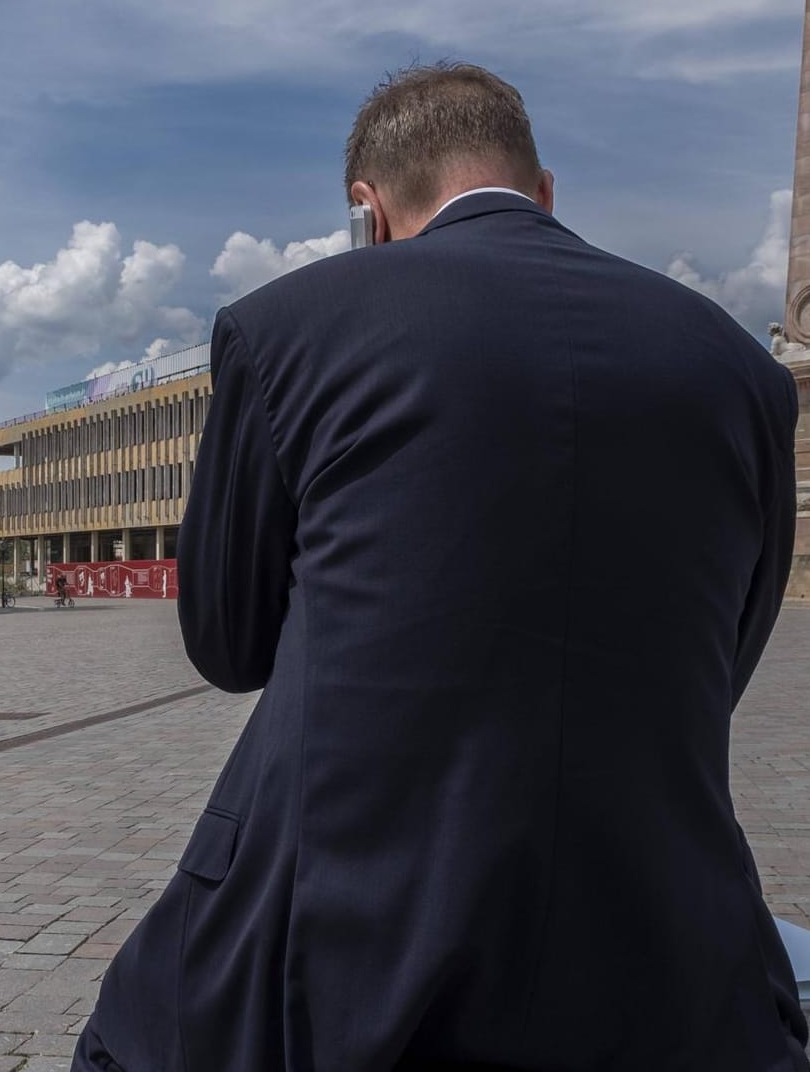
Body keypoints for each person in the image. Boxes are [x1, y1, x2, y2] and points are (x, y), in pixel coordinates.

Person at [73, 63, 807, 1071]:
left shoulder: (286, 327)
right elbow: (727, 654)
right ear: (545, 192)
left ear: (367, 213)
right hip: (664, 959)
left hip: (338, 955)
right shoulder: (745, 373)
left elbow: (231, 642)